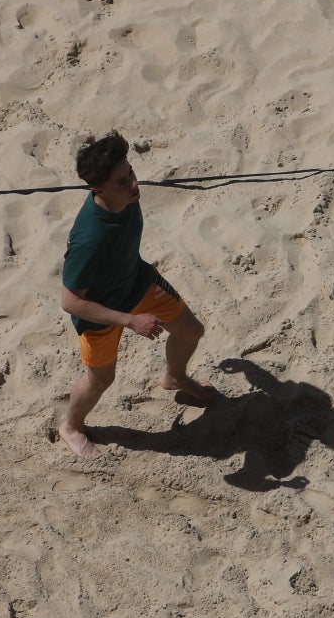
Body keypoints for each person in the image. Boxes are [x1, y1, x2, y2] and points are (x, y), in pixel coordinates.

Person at [57, 131, 216, 458]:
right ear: (97, 189)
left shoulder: (128, 198)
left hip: (139, 282)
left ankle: (174, 377)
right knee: (101, 379)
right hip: (100, 312)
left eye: (130, 173)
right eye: (121, 182)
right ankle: (71, 427)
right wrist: (129, 321)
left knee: (191, 331)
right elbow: (69, 301)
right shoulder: (89, 239)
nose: (132, 185)